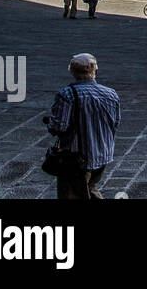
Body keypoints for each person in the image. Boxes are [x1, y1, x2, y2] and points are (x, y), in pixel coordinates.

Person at [45, 53, 121, 199]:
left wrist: (50, 124)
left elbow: (59, 126)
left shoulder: (67, 94)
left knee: (71, 193)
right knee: (90, 187)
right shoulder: (111, 94)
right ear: (96, 71)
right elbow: (115, 122)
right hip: (102, 153)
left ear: (72, 72)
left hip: (76, 157)